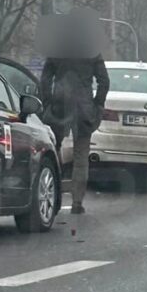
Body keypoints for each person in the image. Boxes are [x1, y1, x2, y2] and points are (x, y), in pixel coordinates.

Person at [40, 53, 109, 213]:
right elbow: (104, 81)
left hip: (59, 105)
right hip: (84, 107)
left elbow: (45, 80)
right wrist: (98, 104)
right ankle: (77, 202)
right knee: (81, 157)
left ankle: (53, 194)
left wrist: (48, 103)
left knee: (52, 151)